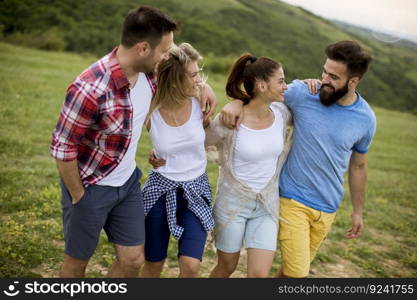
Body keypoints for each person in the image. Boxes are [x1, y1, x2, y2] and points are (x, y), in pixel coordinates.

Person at [50, 6, 216, 278]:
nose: (167, 56)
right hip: (91, 186)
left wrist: (203, 87)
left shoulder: (149, 75)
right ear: (142, 48)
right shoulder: (90, 88)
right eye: (164, 51)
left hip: (128, 185)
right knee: (76, 262)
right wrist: (78, 194)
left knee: (133, 259)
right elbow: (62, 148)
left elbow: (183, 71)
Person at [220, 40, 376, 278]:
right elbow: (261, 94)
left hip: (328, 207)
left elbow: (359, 165)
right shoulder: (304, 93)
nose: (324, 79)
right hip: (292, 200)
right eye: (324, 71)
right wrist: (237, 102)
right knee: (298, 275)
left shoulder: (366, 119)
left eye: (334, 77)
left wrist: (357, 211)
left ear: (353, 82)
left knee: (290, 272)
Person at [205, 53, 292, 277]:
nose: (286, 86)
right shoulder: (230, 120)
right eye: (281, 81)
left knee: (259, 275)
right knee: (227, 266)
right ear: (262, 86)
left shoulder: (282, 114)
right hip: (233, 205)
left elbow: (308, 98)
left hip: (267, 205)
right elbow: (200, 143)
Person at [139, 43, 214, 278]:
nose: (199, 79)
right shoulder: (149, 108)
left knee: (191, 266)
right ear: (173, 81)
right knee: (153, 263)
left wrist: (205, 86)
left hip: (195, 190)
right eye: (193, 75)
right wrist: (155, 156)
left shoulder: (200, 103)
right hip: (160, 190)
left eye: (198, 73)